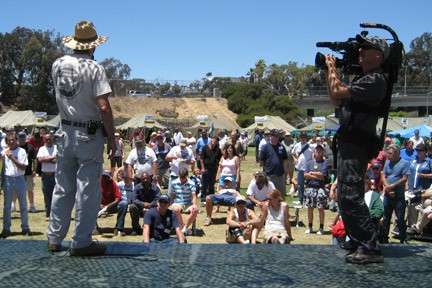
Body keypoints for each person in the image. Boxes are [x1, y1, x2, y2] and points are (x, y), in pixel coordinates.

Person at [47, 20, 116, 256]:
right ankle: (81, 241)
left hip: (64, 131)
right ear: (93, 46)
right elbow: (104, 106)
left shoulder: (57, 64)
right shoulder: (95, 68)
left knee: (62, 186)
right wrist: (113, 139)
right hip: (88, 134)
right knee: (87, 189)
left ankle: (54, 237)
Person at [324, 34, 391, 263]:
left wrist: (332, 67)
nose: (360, 51)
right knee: (344, 194)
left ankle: (369, 248)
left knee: (351, 193)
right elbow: (335, 99)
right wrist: (328, 72)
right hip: (350, 141)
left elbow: (340, 91)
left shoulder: (376, 80)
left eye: (366, 47)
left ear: (378, 55)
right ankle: (357, 237)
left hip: (357, 143)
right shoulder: (365, 78)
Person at [0, 132, 31, 238]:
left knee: (23, 205)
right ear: (7, 141)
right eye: (9, 140)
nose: (11, 142)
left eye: (13, 140)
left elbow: (23, 167)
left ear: (16, 140)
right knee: (7, 206)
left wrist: (12, 158)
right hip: (8, 180)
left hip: (19, 179)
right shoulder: (4, 152)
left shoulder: (21, 151)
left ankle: (25, 227)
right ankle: (6, 228)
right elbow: (3, 167)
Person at [381, 144, 410, 244]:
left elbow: (404, 178)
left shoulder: (404, 163)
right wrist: (387, 187)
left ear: (397, 153)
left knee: (400, 218)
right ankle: (384, 236)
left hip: (398, 195)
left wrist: (392, 186)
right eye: (388, 153)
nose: (388, 155)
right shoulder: (387, 163)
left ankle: (403, 238)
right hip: (388, 195)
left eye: (390, 153)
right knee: (386, 217)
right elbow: (384, 176)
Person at [304, 144, 328, 235]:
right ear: (314, 152)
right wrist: (315, 176)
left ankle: (321, 227)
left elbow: (322, 175)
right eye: (316, 150)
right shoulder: (309, 162)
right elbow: (305, 174)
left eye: (320, 151)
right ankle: (310, 227)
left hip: (320, 188)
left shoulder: (324, 163)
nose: (318, 152)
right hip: (310, 187)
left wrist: (312, 173)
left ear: (322, 153)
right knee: (310, 208)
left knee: (320, 208)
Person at [406, 143, 432, 227]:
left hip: (423, 189)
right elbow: (409, 173)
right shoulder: (413, 160)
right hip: (411, 187)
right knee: (411, 207)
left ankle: (419, 227)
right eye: (417, 150)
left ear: (425, 151)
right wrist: (407, 184)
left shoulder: (429, 161)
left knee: (419, 207)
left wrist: (425, 175)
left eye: (421, 150)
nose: (418, 152)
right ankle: (411, 226)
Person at [11, 131, 37, 213]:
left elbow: (35, 159)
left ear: (25, 138)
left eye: (23, 137)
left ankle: (32, 205)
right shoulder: (15, 147)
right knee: (15, 190)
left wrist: (34, 170)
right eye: (20, 137)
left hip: (28, 172)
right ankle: (13, 205)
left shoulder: (30, 147)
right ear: (17, 138)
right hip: (17, 173)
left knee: (29, 189)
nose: (21, 139)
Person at [98, 170, 128, 236]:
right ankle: (94, 228)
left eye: (107, 177)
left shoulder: (112, 183)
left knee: (124, 204)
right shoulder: (96, 183)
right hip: (98, 206)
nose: (105, 179)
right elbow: (91, 197)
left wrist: (107, 206)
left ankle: (119, 228)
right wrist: (99, 205)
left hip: (111, 207)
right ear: (101, 176)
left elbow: (118, 198)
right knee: (88, 205)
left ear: (109, 178)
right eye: (103, 176)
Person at [170, 168, 199, 235]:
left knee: (195, 210)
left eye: (184, 178)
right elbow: (172, 195)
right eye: (181, 177)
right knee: (175, 209)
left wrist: (194, 204)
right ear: (179, 175)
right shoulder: (174, 182)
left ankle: (185, 228)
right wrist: (171, 204)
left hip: (188, 202)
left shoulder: (191, 183)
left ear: (186, 176)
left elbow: (194, 196)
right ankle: (182, 226)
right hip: (178, 202)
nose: (182, 179)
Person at [259, 129, 288, 196]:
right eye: (275, 136)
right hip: (269, 174)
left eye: (277, 136)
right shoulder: (265, 147)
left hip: (280, 174)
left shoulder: (281, 146)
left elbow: (285, 159)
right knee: (270, 194)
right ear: (270, 136)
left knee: (281, 194)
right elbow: (261, 161)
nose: (277, 138)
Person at [36, 133, 58, 221]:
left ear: (52, 139)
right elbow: (40, 160)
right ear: (44, 140)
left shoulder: (56, 148)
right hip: (46, 175)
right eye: (46, 139)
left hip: (55, 174)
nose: (48, 140)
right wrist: (52, 158)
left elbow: (57, 159)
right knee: (47, 195)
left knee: (56, 195)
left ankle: (56, 214)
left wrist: (47, 159)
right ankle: (48, 214)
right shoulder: (42, 149)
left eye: (50, 139)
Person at [291, 131, 313, 204]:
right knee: (300, 185)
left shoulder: (310, 146)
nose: (303, 138)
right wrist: (295, 159)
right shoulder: (297, 145)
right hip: (299, 168)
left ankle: (308, 200)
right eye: (301, 137)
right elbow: (293, 153)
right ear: (299, 138)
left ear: (306, 138)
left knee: (308, 185)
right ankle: (300, 200)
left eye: (304, 137)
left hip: (308, 168)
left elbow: (314, 153)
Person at [200, 137, 222, 204]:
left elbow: (220, 159)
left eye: (216, 141)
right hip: (206, 168)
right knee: (204, 184)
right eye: (213, 140)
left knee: (212, 185)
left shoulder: (218, 150)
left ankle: (211, 199)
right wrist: (202, 168)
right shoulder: (205, 148)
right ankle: (203, 199)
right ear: (211, 140)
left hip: (214, 169)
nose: (214, 141)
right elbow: (201, 159)